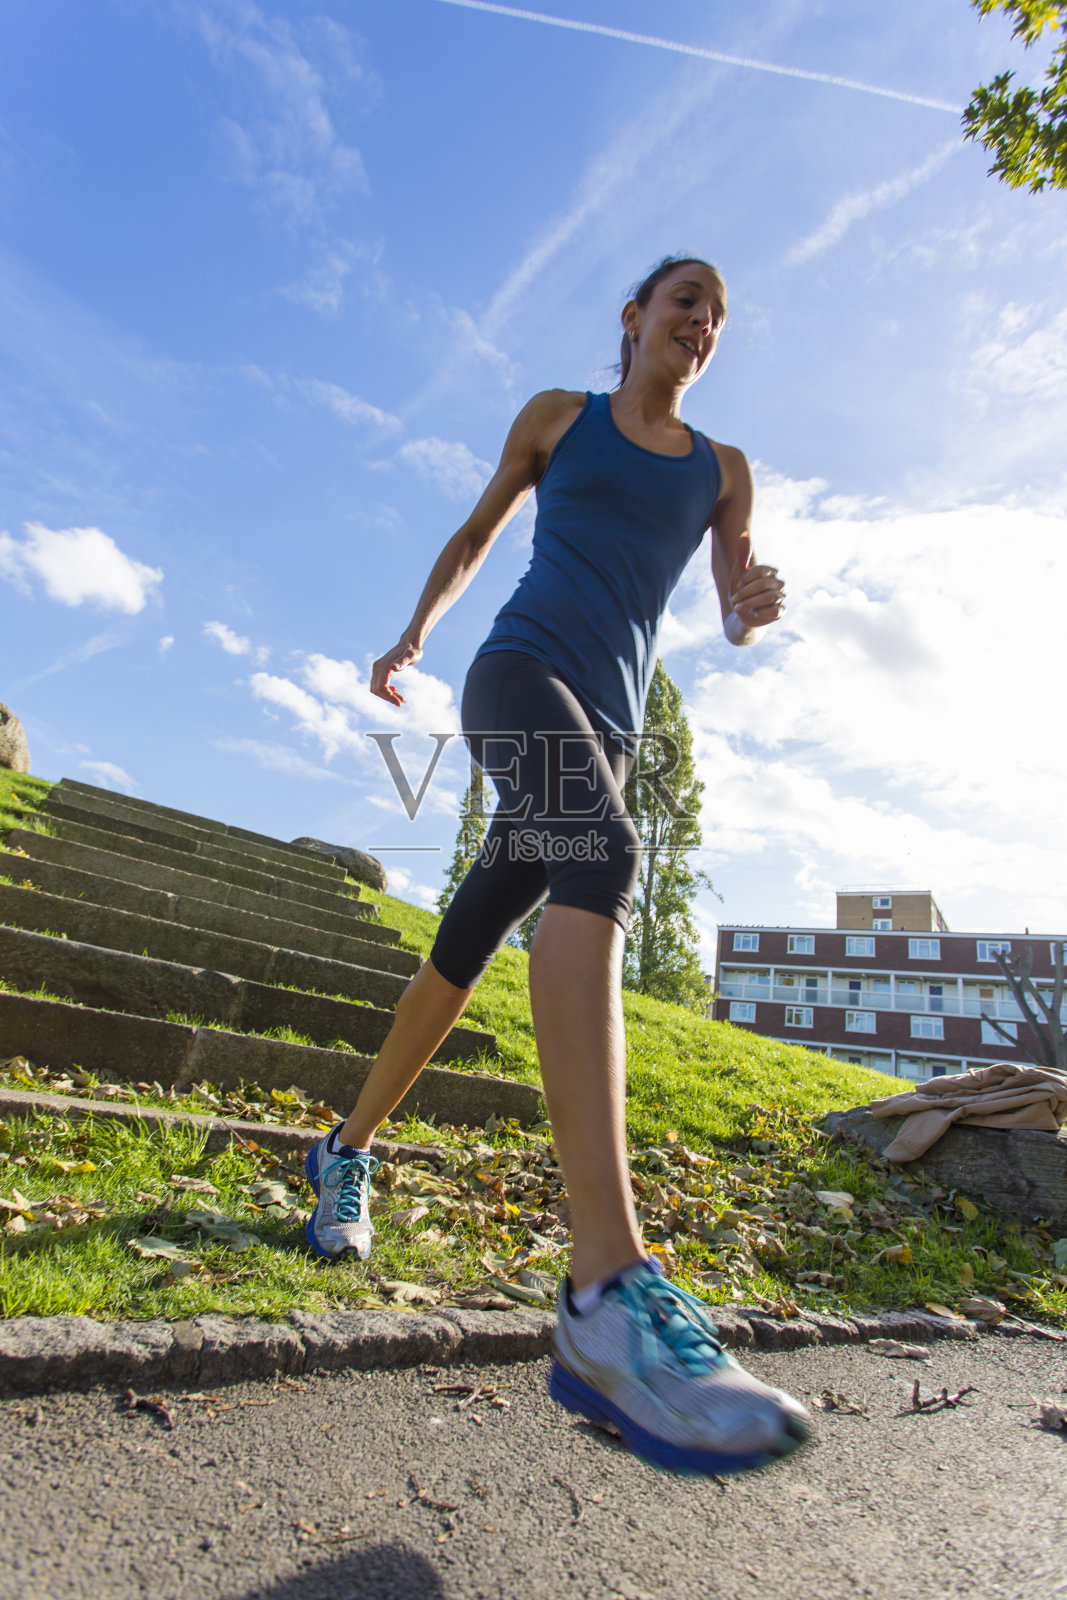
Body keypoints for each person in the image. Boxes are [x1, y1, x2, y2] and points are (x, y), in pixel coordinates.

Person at [304, 256, 810, 1475]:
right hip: (518, 671)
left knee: (467, 938)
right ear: (633, 317)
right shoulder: (557, 417)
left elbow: (730, 610)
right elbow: (477, 532)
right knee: (605, 855)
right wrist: (412, 634)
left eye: (718, 315)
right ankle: (603, 1287)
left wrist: (747, 607)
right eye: (684, 300)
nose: (701, 321)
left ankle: (343, 1150)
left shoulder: (721, 469)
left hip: (610, 730)